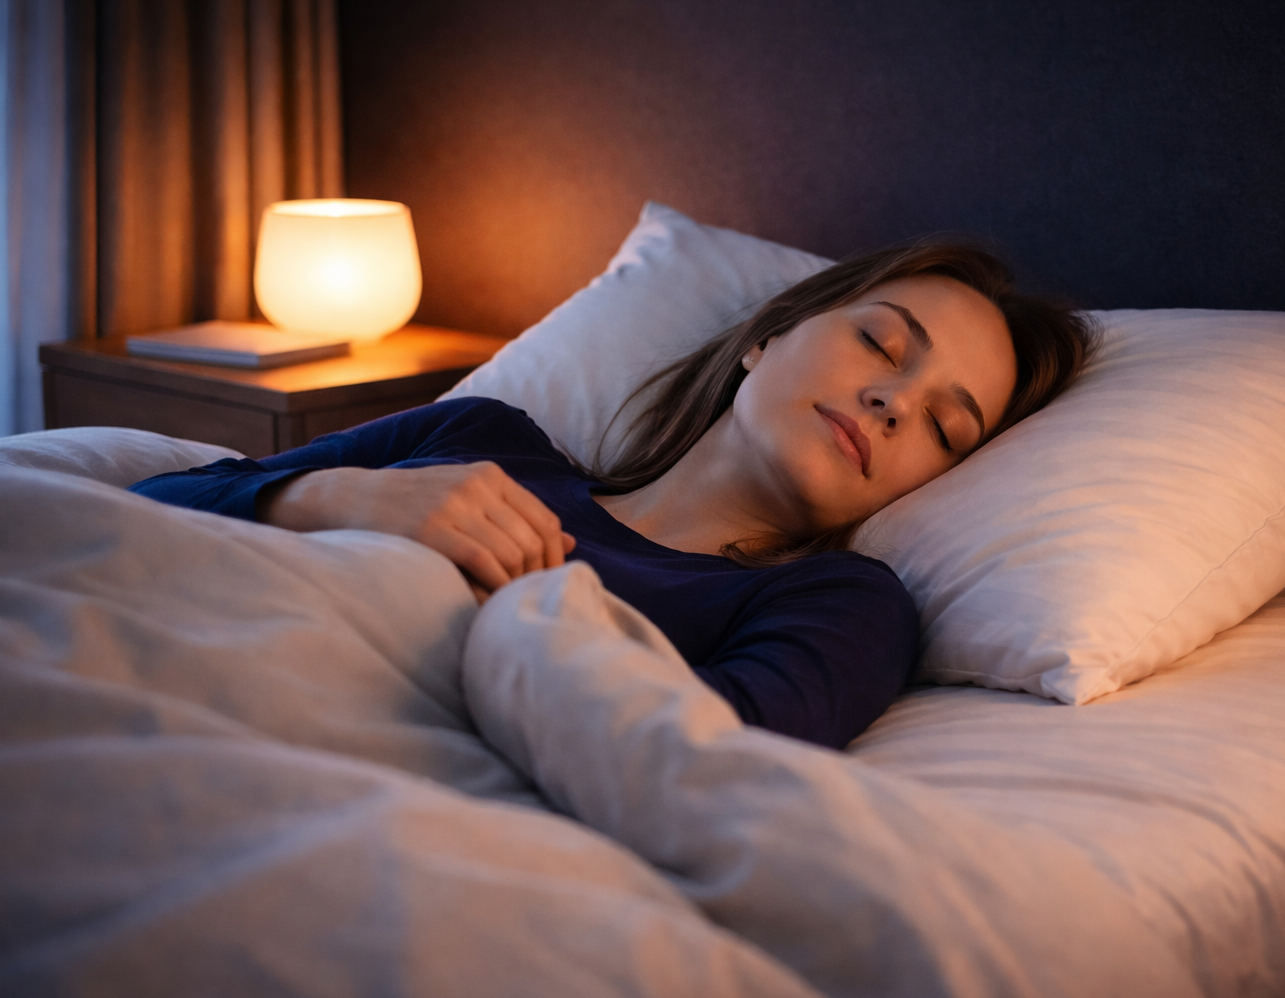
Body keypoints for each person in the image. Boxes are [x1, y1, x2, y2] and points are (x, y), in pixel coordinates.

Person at [131, 240, 1094, 749]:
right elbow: (148, 507)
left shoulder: (836, 604)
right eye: (883, 346)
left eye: (943, 427)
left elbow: (703, 758)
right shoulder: (482, 435)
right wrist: (334, 499)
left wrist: (499, 610)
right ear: (769, 336)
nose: (893, 401)